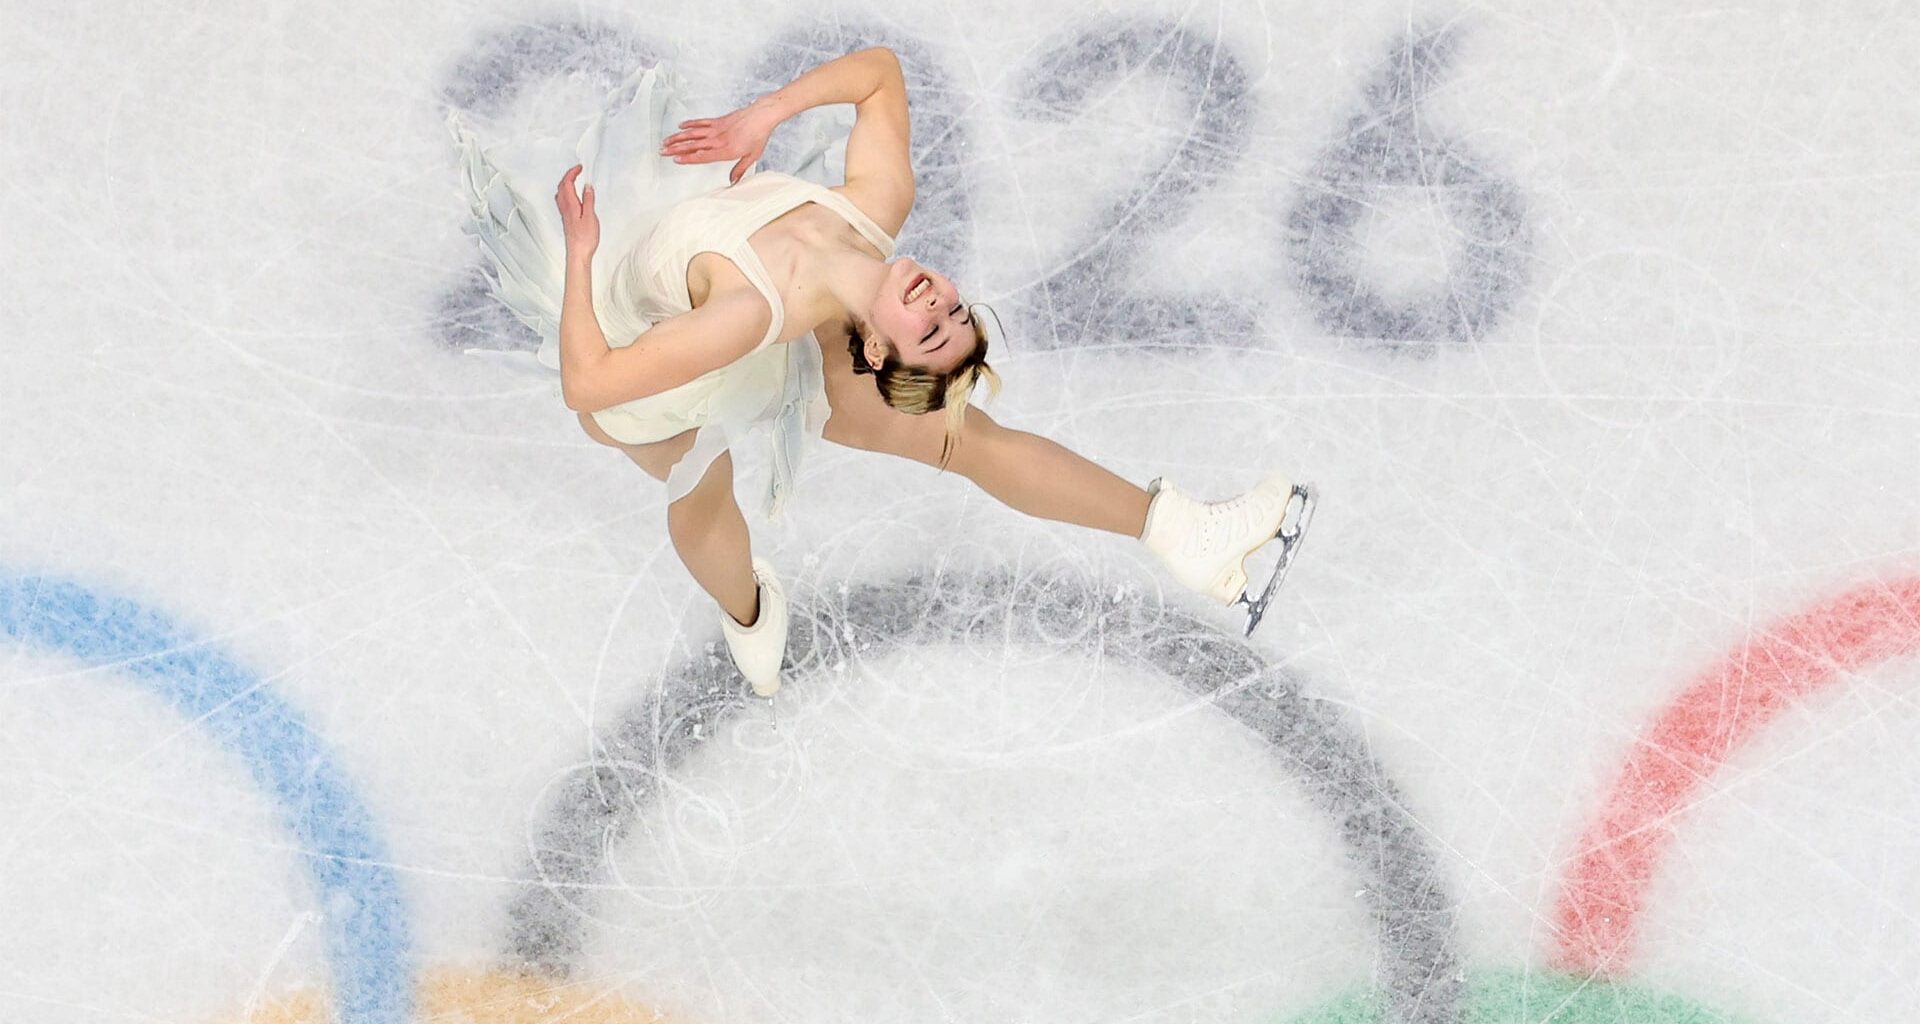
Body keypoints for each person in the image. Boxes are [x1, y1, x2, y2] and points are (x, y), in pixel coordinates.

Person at [451, 47, 1307, 700]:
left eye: (928, 331)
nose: (938, 303)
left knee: (716, 475)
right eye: (954, 313)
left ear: (869, 350)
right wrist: (766, 116)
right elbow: (879, 75)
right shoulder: (874, 208)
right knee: (731, 487)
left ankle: (1179, 530)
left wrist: (582, 251)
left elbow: (590, 386)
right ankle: (754, 607)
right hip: (686, 318)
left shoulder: (749, 312)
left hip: (642, 354)